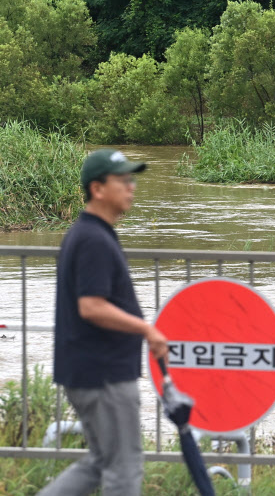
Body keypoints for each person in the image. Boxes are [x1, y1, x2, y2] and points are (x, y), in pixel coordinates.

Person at [39, 148, 169, 496]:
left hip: (93, 370)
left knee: (101, 461)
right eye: (123, 180)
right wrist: (147, 329)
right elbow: (92, 307)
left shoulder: (91, 233)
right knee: (124, 469)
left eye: (132, 180)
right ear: (98, 189)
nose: (132, 187)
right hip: (103, 376)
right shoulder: (93, 239)